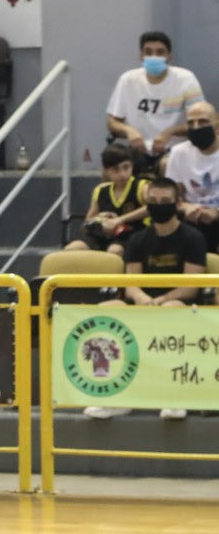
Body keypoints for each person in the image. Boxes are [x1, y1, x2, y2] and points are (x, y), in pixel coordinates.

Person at [83, 177, 203, 421]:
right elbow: (131, 283)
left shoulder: (193, 238)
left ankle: (174, 395)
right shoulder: (138, 239)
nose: (159, 205)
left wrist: (161, 300)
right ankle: (117, 397)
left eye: (165, 201)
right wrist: (141, 297)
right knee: (106, 308)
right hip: (143, 303)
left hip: (178, 303)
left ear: (177, 203)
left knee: (171, 309)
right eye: (153, 201)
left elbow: (190, 287)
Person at [106, 31, 204, 174]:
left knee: (167, 165)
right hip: (137, 149)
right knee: (113, 166)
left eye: (160, 52)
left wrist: (169, 132)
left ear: (169, 57)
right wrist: (129, 131)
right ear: (141, 56)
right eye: (148, 52)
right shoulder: (127, 80)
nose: (154, 56)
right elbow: (112, 122)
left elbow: (201, 121)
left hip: (174, 149)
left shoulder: (186, 79)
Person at [65, 144, 148, 256]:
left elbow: (151, 208)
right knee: (72, 249)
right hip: (102, 236)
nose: (122, 174)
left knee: (114, 251)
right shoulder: (100, 190)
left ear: (132, 166)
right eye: (115, 169)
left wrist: (119, 220)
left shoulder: (142, 186)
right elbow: (87, 221)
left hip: (130, 235)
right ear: (106, 170)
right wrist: (100, 218)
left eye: (126, 167)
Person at [164, 101, 219, 251]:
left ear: (216, 125)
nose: (196, 127)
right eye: (191, 123)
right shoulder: (179, 153)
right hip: (192, 218)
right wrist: (184, 207)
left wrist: (216, 212)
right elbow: (172, 195)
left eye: (203, 121)